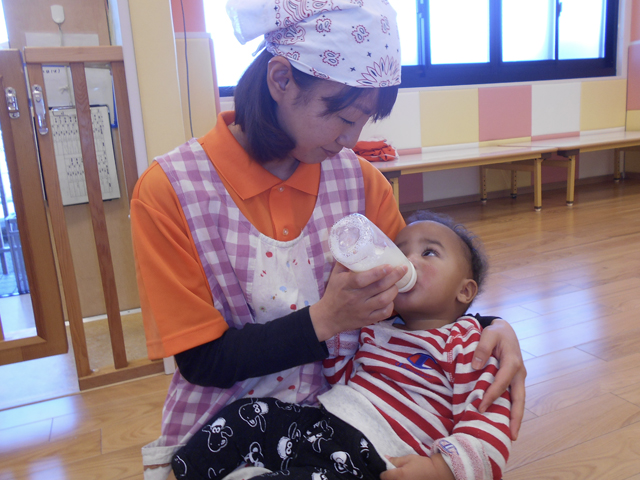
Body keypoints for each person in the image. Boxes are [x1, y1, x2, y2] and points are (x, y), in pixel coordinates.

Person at [131, 2, 525, 478]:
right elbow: (202, 361)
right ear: (281, 80)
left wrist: (488, 325)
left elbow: (410, 293)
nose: (350, 139)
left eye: (364, 122)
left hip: (353, 417)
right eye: (340, 117)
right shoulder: (170, 191)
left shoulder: (361, 184)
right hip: (225, 421)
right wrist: (325, 319)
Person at [170, 211, 511, 480]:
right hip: (323, 424)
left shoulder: (467, 342)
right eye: (401, 250)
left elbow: (489, 422)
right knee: (244, 417)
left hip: (375, 459)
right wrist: (345, 320)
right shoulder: (380, 327)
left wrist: (443, 470)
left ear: (464, 291)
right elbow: (341, 374)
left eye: (428, 252)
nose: (406, 261)